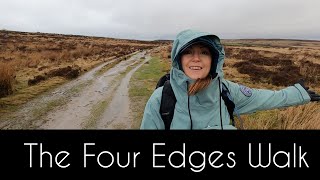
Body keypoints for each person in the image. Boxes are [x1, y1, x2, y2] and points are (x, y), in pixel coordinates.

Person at [140, 29, 320, 130]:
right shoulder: (161, 100)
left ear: (213, 60)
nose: (196, 58)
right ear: (178, 59)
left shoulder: (227, 92)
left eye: (204, 52)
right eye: (188, 52)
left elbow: (264, 97)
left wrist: (297, 94)